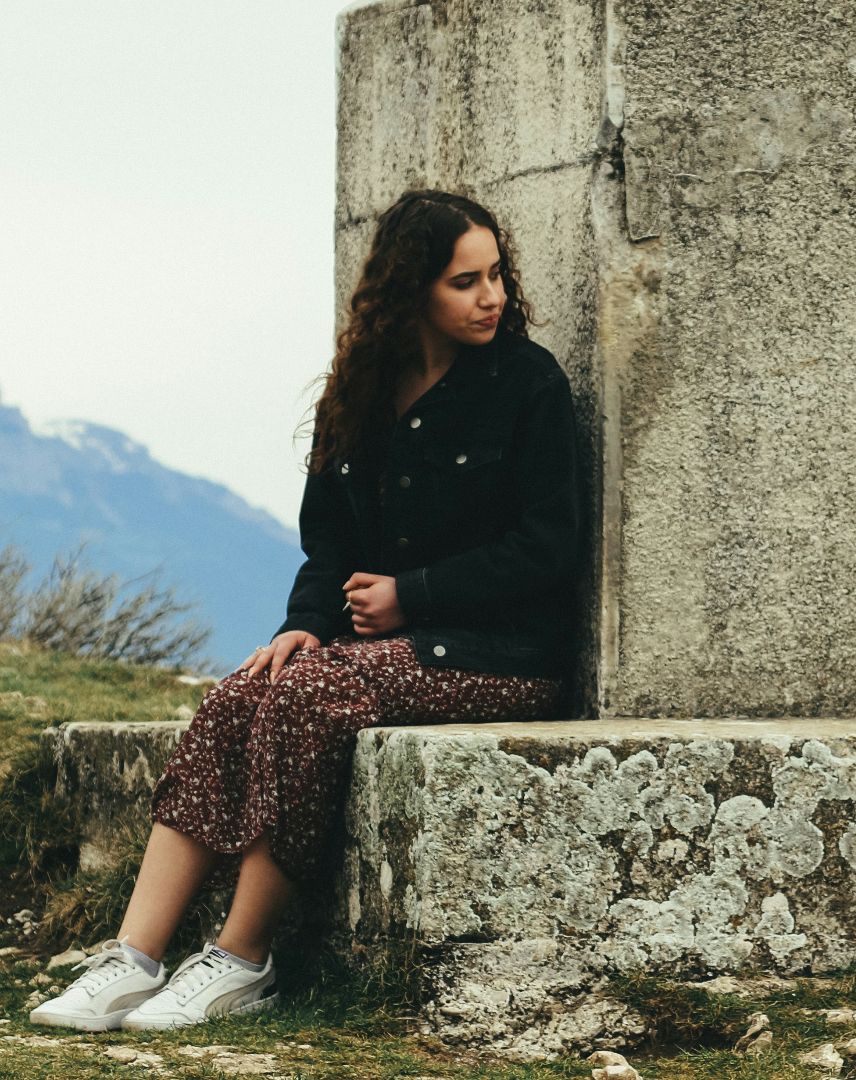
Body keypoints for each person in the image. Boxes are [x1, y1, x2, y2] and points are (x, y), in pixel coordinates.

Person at [30, 190, 583, 1031]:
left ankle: (241, 959)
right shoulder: (357, 393)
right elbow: (327, 544)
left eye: (496, 274)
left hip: (499, 655)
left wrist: (414, 596)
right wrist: (301, 623)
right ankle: (132, 958)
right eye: (464, 281)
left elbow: (550, 547)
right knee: (240, 692)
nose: (492, 297)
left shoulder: (528, 384)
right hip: (380, 650)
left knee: (310, 697)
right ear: (412, 292)